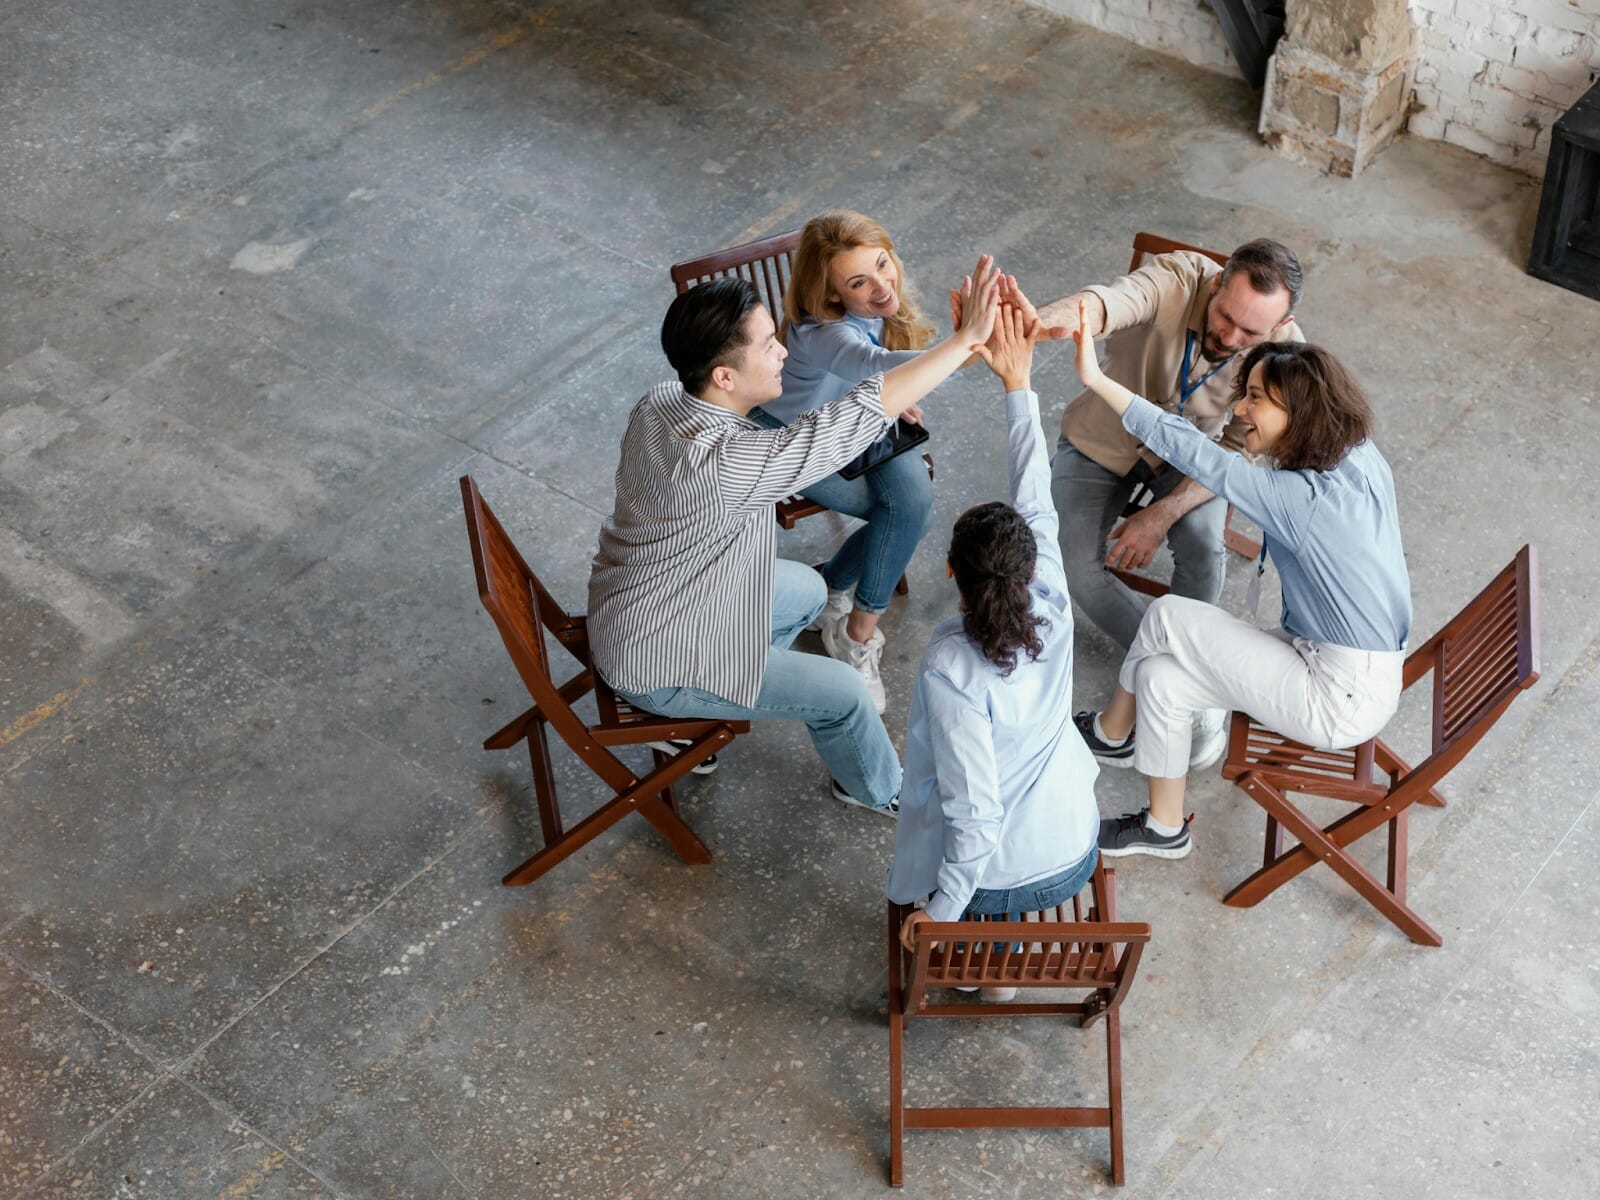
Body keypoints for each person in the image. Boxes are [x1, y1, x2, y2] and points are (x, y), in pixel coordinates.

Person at [586, 259, 1000, 815]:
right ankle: (876, 789)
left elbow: (833, 420)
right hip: (663, 662)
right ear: (724, 377)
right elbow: (849, 419)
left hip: (644, 603)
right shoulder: (728, 464)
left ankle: (727, 695)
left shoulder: (663, 399)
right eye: (767, 346)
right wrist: (966, 341)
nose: (783, 351)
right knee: (845, 695)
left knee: (809, 590)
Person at [1067, 303, 1411, 860]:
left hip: (1336, 694)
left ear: (1300, 411)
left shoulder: (1301, 500)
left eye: (1256, 398)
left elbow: (1200, 456)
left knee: (1166, 616)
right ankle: (1163, 826)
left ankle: (1110, 734)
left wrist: (1097, 380)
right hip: (1346, 665)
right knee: (1158, 676)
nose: (1241, 409)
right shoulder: (1356, 456)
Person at [886, 303, 1100, 997]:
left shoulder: (952, 669)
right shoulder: (1053, 602)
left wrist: (941, 913)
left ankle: (993, 971)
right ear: (1030, 567)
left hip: (1007, 878)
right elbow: (1036, 497)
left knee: (965, 860)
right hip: (1076, 846)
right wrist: (1018, 385)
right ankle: (997, 967)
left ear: (951, 572)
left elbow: (977, 818)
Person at [1035, 240, 1305, 660]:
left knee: (1204, 552)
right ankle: (1173, 659)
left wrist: (1161, 514)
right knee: (1069, 562)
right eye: (1225, 316)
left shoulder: (1287, 354)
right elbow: (1110, 302)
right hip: (1102, 435)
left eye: (1250, 333)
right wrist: (1040, 322)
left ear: (1281, 323)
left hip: (1194, 456)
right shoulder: (1177, 278)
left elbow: (1237, 452)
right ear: (1217, 283)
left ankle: (1177, 658)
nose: (1230, 337)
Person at [751, 211, 942, 712]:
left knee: (913, 507)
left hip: (857, 416)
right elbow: (870, 362)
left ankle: (837, 600)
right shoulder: (821, 332)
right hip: (795, 437)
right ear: (832, 295)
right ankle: (853, 631)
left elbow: (870, 373)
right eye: (859, 282)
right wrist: (968, 346)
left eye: (882, 264)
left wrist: (892, 396)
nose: (882, 287)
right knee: (902, 515)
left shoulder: (878, 306)